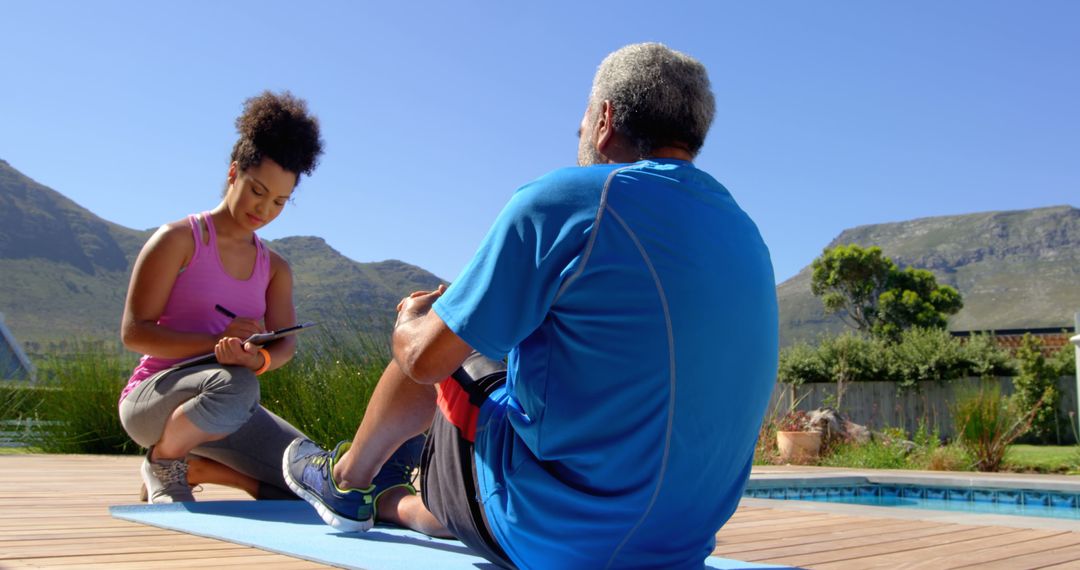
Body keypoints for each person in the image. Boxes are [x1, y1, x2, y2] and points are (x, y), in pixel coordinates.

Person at [284, 43, 779, 569]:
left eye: (582, 123)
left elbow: (425, 361)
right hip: (680, 541)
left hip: (564, 538)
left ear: (605, 120)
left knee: (444, 337)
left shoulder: (571, 199)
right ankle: (402, 503)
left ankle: (344, 483)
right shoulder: (744, 232)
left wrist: (410, 321)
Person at [119, 91, 324, 503]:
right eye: (257, 190)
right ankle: (164, 460)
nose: (264, 209)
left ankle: (199, 467)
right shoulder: (177, 240)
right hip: (153, 401)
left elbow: (284, 347)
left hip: (225, 405)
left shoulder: (276, 268)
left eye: (280, 201)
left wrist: (257, 358)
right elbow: (134, 334)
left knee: (314, 475)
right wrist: (216, 346)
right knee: (238, 384)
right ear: (234, 173)